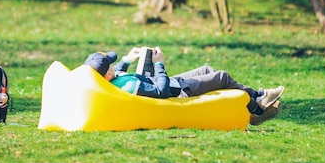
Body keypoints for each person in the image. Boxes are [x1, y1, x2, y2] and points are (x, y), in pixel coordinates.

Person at [84, 47, 284, 125]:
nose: (114, 64)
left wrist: (127, 59)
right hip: (177, 92)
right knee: (222, 76)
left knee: (206, 69)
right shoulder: (128, 86)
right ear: (107, 74)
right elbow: (160, 92)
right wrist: (158, 63)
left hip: (173, 83)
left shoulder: (109, 81)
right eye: (111, 63)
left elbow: (116, 71)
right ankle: (257, 104)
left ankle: (252, 106)